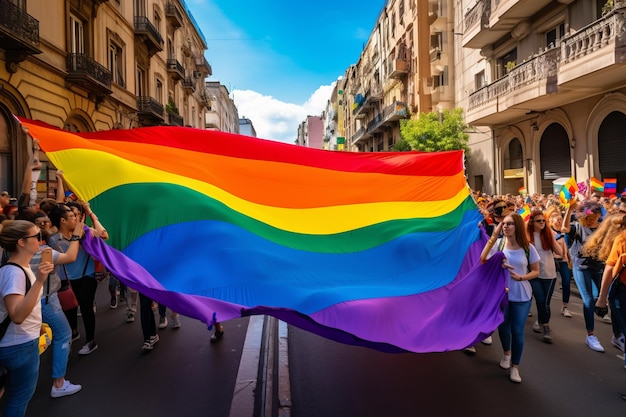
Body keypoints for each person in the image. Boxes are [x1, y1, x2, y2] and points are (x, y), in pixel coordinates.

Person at [0, 220, 55, 416]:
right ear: (21, 242)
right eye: (37, 236)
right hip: (19, 345)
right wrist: (40, 281)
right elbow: (17, 315)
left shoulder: (18, 269)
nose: (41, 241)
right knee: (20, 397)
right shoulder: (14, 273)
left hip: (18, 342)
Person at [480, 213, 540, 383]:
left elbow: (536, 271)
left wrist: (521, 277)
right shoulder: (498, 244)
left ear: (518, 226)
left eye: (510, 224)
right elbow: (483, 259)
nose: (505, 226)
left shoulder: (528, 248)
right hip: (502, 294)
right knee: (504, 327)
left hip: (522, 295)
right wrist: (493, 235)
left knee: (518, 331)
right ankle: (506, 353)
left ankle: (515, 366)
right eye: (504, 224)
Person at [32, 224, 85, 398]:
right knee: (63, 334)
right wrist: (76, 236)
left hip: (26, 300)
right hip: (45, 299)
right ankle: (59, 383)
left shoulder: (10, 255)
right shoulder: (42, 252)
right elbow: (70, 256)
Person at [48, 203, 107, 356]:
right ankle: (74, 333)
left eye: (76, 215)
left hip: (88, 274)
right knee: (73, 307)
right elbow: (57, 262)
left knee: (86, 307)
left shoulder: (84, 232)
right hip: (68, 278)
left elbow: (103, 234)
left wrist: (89, 211)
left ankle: (91, 341)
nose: (76, 218)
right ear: (62, 220)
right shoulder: (54, 240)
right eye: (72, 216)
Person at [563, 200, 606, 352]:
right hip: (581, 267)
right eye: (591, 217)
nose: (594, 220)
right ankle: (591, 335)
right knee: (588, 300)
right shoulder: (577, 227)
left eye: (597, 217)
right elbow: (564, 228)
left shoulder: (602, 228)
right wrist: (569, 210)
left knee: (597, 298)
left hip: (599, 266)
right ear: (584, 217)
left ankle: (618, 336)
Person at [594, 215, 626, 400]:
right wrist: (602, 297)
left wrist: (602, 298)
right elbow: (609, 268)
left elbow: (609, 268)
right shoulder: (622, 239)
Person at [527, 208, 564, 343]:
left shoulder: (548, 234)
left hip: (549, 274)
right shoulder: (527, 236)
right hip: (534, 273)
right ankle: (546, 327)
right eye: (539, 221)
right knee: (540, 299)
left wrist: (552, 239)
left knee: (546, 303)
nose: (542, 223)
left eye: (544, 221)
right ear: (532, 222)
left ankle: (540, 320)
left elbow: (560, 252)